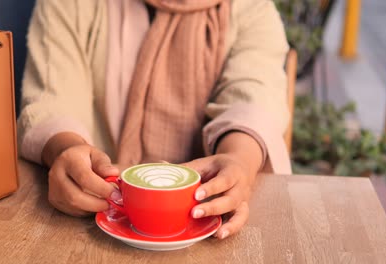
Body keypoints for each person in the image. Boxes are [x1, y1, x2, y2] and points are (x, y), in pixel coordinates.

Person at [18, 0, 291, 240]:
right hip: (91, 227)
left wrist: (238, 162)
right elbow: (53, 100)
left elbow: (255, 98)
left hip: (211, 231)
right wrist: (67, 153)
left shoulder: (253, 10)